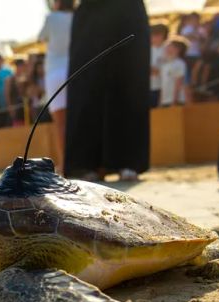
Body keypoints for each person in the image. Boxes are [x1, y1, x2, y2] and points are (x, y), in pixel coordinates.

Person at [65, 0, 151, 182]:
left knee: (129, 81)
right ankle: (85, 163)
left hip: (127, 11)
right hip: (92, 11)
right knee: (87, 84)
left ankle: (128, 161)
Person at [38, 0, 74, 164]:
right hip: (75, 69)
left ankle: (66, 163)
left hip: (55, 72)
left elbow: (40, 38)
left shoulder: (52, 17)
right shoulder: (77, 17)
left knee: (60, 123)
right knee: (77, 119)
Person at [160, 38, 189, 107]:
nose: (166, 48)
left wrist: (174, 101)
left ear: (178, 49)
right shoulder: (165, 64)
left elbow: (178, 84)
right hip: (165, 101)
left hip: (176, 101)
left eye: (170, 46)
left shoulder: (179, 64)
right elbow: (163, 85)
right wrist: (160, 101)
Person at [150, 22, 170, 108]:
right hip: (149, 87)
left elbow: (168, 70)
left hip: (163, 88)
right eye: (154, 35)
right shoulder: (145, 50)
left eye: (159, 35)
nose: (156, 38)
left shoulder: (168, 50)